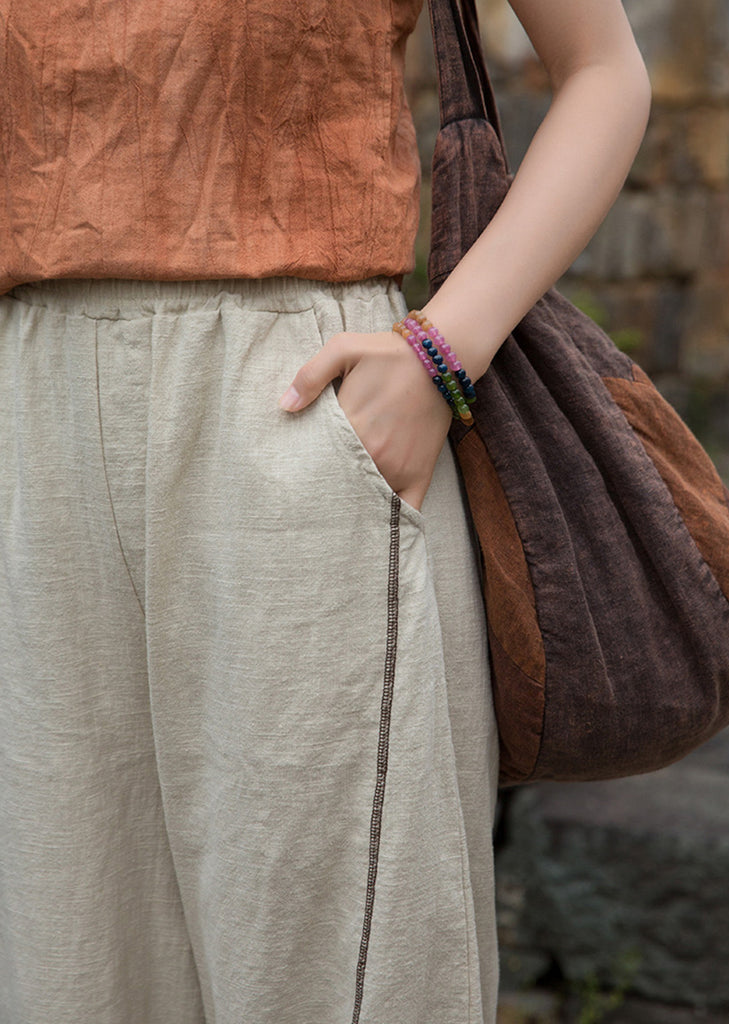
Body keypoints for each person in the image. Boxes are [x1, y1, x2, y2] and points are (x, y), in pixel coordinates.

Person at [0, 1, 650, 1021]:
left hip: (296, 415)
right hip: (30, 432)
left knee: (341, 975)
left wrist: (445, 349)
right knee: (65, 964)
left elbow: (604, 70)